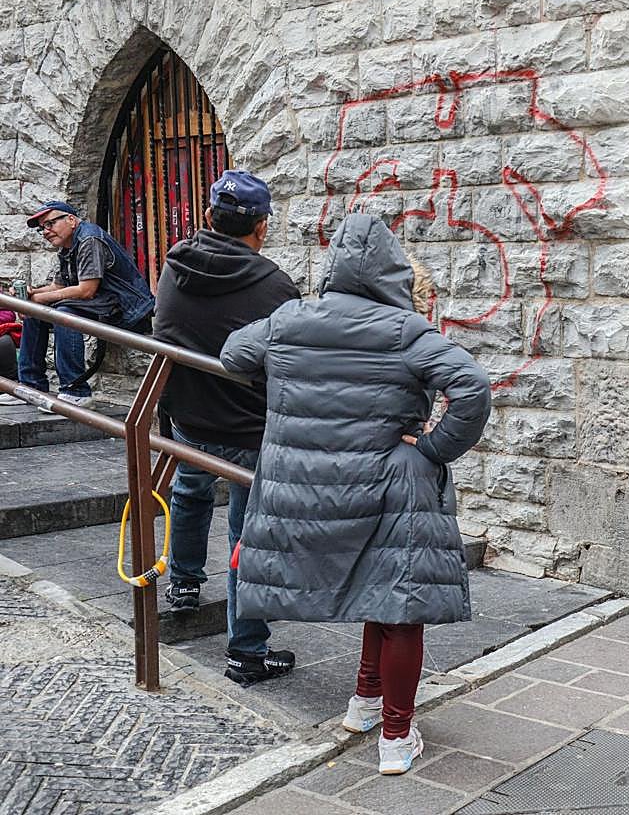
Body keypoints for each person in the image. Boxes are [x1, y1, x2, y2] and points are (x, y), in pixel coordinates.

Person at [221, 213, 491, 775]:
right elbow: (472, 388)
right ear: (392, 272)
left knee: (381, 597)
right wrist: (433, 448)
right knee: (399, 606)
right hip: (389, 487)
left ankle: (365, 703)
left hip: (307, 488)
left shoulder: (289, 319)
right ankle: (396, 737)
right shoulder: (406, 331)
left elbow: (233, 355)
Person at [154, 170, 301, 686]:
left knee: (190, 491)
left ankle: (184, 583)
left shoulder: (175, 264)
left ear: (208, 216)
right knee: (247, 533)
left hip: (188, 414)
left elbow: (165, 328)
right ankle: (247, 652)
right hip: (249, 426)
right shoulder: (275, 284)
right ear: (261, 226)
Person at [19, 201, 154, 406]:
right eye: (42, 228)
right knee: (35, 312)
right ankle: (31, 386)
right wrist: (31, 295)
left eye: (50, 224)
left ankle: (76, 392)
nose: (45, 231)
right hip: (102, 304)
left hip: (127, 310)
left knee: (64, 314)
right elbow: (58, 286)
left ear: (71, 220)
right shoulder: (67, 246)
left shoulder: (89, 238)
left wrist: (39, 299)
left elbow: (86, 290)